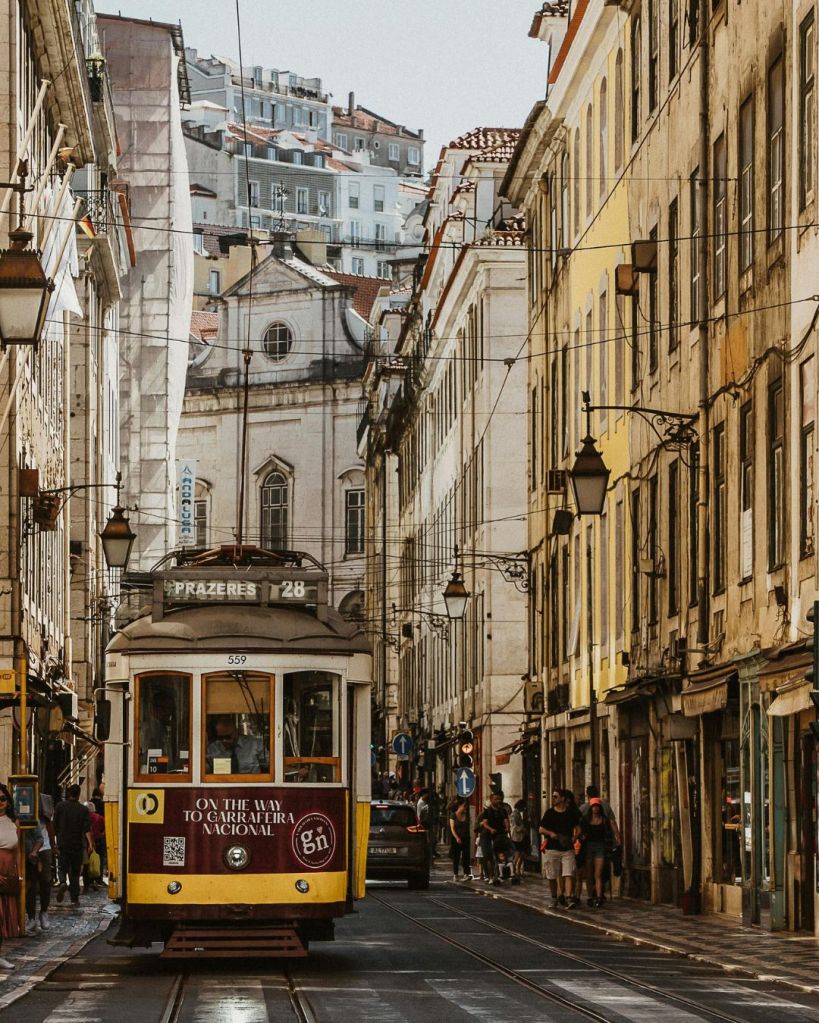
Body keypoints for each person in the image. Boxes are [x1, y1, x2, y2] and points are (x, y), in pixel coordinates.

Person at [539, 788, 581, 909]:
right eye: (553, 796)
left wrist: (574, 837)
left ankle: (568, 898)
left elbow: (578, 829)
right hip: (552, 848)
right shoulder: (549, 813)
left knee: (569, 873)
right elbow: (541, 829)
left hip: (567, 848)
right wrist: (551, 833)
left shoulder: (571, 813)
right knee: (552, 875)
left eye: (556, 797)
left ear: (563, 798)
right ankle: (554, 897)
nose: (553, 799)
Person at [54, 784, 93, 906]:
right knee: (75, 872)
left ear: (68, 793)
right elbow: (86, 829)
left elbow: (54, 825)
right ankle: (74, 898)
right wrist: (90, 844)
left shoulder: (60, 806)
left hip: (62, 842)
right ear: (79, 794)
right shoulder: (83, 809)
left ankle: (62, 882)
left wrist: (53, 842)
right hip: (77, 844)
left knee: (61, 866)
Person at [578, 798, 617, 908]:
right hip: (588, 847)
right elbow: (580, 832)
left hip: (600, 847)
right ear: (591, 808)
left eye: (597, 806)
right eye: (593, 806)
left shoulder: (604, 820)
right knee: (589, 874)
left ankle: (599, 896)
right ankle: (591, 897)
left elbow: (609, 833)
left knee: (598, 874)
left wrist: (614, 843)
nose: (595, 808)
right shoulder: (585, 820)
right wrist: (582, 837)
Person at [478, 791, 517, 885]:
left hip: (500, 835)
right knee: (490, 856)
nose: (498, 801)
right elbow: (485, 823)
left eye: (499, 799)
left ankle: (504, 874)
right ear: (491, 800)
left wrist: (507, 828)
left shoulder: (502, 810)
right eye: (496, 799)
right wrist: (491, 829)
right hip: (489, 836)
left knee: (503, 854)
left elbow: (506, 820)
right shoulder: (487, 812)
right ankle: (490, 875)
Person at [25, 803, 53, 934]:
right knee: (30, 885)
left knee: (45, 882)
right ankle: (31, 917)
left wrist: (53, 844)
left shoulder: (43, 801)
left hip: (44, 847)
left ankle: (44, 911)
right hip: (28, 849)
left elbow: (49, 825)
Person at [0, 783, 20, 968]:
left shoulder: (14, 822)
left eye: (2, 799)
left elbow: (17, 851)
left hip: (8, 873)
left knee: (4, 914)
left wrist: (18, 873)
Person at [23, 822, 45, 935]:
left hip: (27, 859)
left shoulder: (30, 818)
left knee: (29, 889)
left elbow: (39, 839)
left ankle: (31, 918)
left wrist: (34, 851)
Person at [448, 799, 472, 881]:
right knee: (456, 857)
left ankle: (466, 873)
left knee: (466, 857)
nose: (465, 807)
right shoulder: (453, 816)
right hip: (456, 839)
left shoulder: (467, 815)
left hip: (466, 838)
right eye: (464, 806)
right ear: (459, 806)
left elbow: (469, 826)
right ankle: (455, 874)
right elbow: (452, 829)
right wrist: (457, 837)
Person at [84, 802, 105, 889]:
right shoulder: (100, 818)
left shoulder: (84, 818)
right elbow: (105, 830)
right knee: (98, 861)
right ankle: (98, 879)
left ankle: (88, 881)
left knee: (86, 862)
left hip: (86, 842)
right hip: (98, 841)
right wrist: (100, 835)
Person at [510, 799, 528, 878]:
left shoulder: (517, 814)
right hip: (516, 837)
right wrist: (522, 829)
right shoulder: (514, 814)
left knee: (521, 854)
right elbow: (514, 826)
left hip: (519, 837)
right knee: (518, 854)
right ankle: (513, 870)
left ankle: (517, 870)